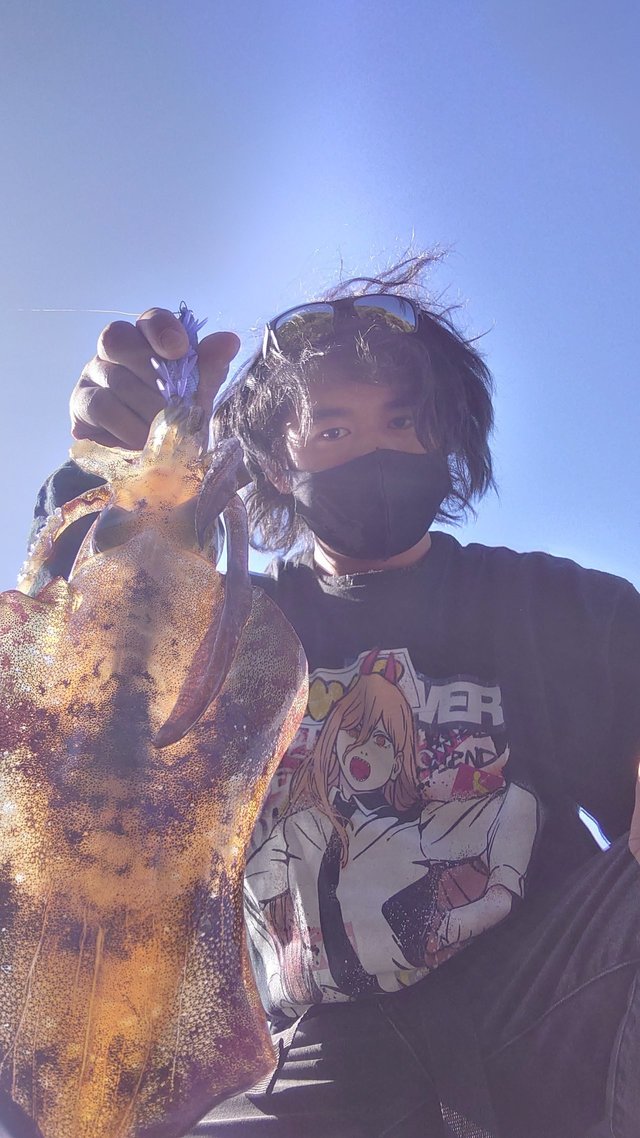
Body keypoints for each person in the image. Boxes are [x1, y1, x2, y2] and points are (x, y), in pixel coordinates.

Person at [28, 255, 640, 1137]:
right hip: (306, 1055)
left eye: (404, 422)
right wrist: (104, 491)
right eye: (334, 429)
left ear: (447, 442)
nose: (375, 451)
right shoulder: (223, 630)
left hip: (552, 1008)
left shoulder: (567, 609)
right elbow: (84, 703)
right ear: (277, 464)